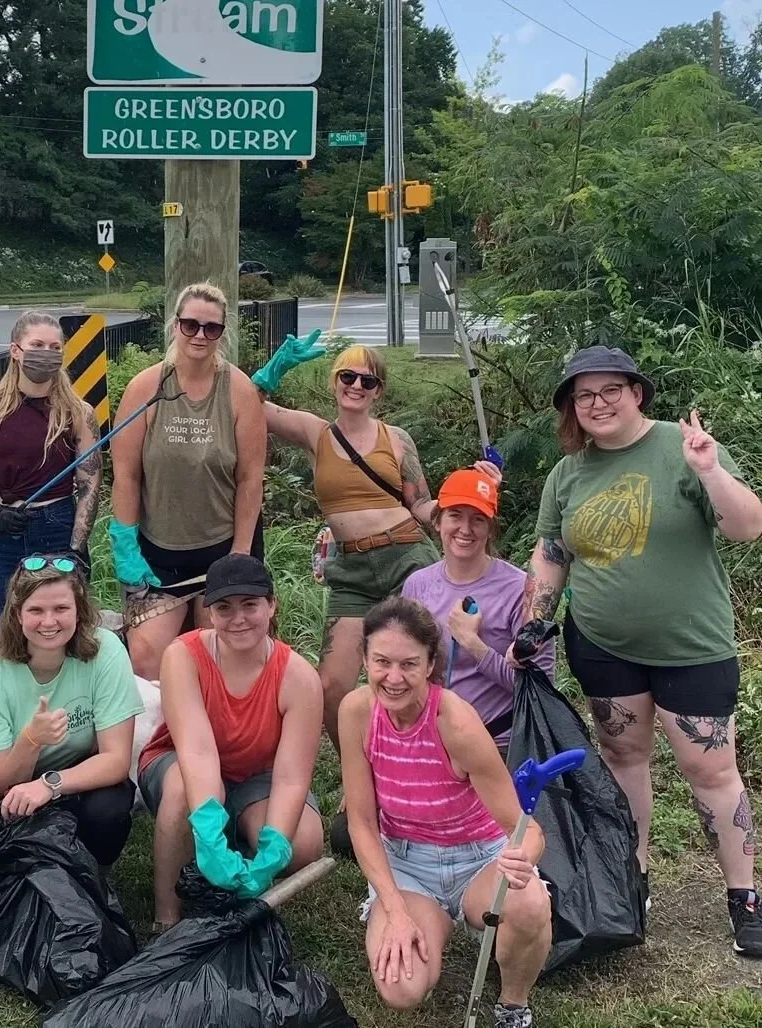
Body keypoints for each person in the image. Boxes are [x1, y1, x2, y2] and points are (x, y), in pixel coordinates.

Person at [509, 345, 762, 956]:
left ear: (636, 392)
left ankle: (745, 897)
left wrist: (709, 470)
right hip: (601, 646)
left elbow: (747, 525)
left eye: (610, 390)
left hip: (691, 647)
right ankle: (632, 877)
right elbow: (552, 553)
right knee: (624, 760)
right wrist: (535, 621)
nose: (597, 403)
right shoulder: (568, 472)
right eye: (584, 394)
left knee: (712, 771)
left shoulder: (686, 449)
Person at [251, 338, 499, 750]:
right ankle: (361, 767)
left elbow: (421, 503)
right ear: (335, 382)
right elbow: (247, 405)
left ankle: (428, 754)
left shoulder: (396, 439)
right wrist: (270, 372)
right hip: (352, 572)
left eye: (368, 380)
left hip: (407, 557)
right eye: (347, 376)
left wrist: (470, 494)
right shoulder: (317, 434)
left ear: (378, 390)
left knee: (426, 669)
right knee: (331, 685)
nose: (356, 386)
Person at [340, 597, 551, 1027]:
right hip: (406, 862)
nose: (393, 678)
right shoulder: (356, 712)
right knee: (402, 988)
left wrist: (522, 860)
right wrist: (395, 910)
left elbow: (527, 830)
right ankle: (432, 921)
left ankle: (513, 1005)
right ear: (363, 658)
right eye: (381, 661)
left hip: (479, 857)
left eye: (409, 664)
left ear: (430, 662)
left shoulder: (456, 723)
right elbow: (361, 822)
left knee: (528, 902)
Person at [137, 554, 324, 934]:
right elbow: (198, 751)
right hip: (183, 762)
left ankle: (243, 864)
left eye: (250, 605)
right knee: (181, 793)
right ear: (208, 614)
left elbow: (290, 776)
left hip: (259, 775)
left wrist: (274, 848)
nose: (238, 619)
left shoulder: (299, 677)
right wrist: (207, 825)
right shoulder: (182, 656)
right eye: (224, 608)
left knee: (303, 843)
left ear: (271, 606)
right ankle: (166, 916)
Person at [108, 281, 267, 680]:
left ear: (222, 332)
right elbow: (126, 474)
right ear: (175, 325)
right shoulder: (146, 388)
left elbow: (250, 479)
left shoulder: (239, 390)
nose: (200, 335)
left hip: (222, 543)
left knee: (220, 653)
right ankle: (164, 737)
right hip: (160, 553)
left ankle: (221, 736)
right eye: (191, 324)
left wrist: (241, 553)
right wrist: (126, 546)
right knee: (146, 658)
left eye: (211, 328)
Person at [0, 555, 144, 867]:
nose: (49, 622)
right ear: (17, 614)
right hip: (4, 768)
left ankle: (90, 875)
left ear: (79, 611)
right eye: (36, 610)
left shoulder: (107, 649)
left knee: (110, 804)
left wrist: (48, 784)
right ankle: (18, 874)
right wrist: (31, 739)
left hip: (73, 764)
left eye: (61, 609)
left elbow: (116, 760)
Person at [0, 311, 102, 624]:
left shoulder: (79, 413)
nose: (46, 354)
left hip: (57, 527)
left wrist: (76, 548)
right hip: (1, 531)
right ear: (15, 350)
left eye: (55, 347)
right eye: (37, 345)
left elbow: (90, 485)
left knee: (59, 626)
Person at [402, 467, 555, 753]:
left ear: (490, 528)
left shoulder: (520, 590)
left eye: (478, 519)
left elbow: (540, 690)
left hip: (502, 745)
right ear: (437, 522)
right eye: (455, 515)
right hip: (433, 741)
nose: (465, 529)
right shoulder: (417, 586)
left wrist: (474, 645)